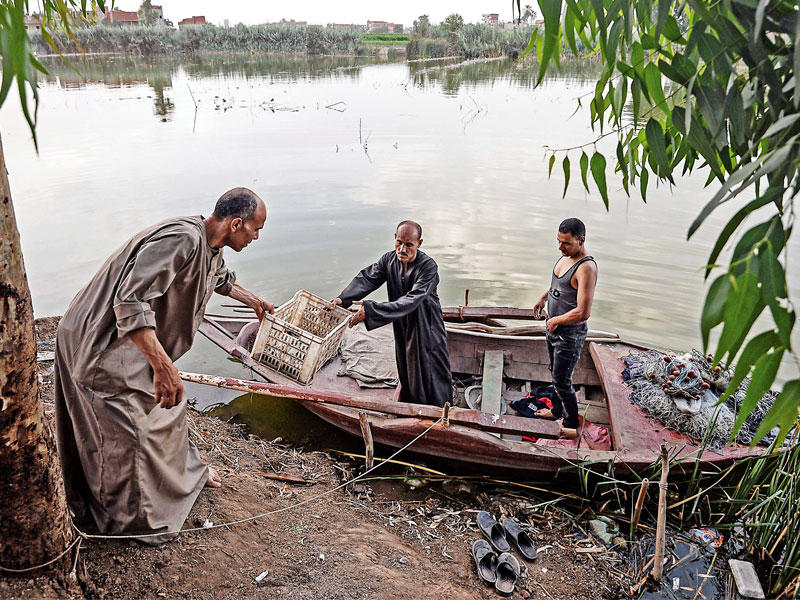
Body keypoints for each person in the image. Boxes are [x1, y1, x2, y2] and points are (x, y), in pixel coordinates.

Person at [54, 188, 274, 542]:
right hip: (99, 337)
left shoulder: (208, 240)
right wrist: (163, 366)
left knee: (168, 408)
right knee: (127, 426)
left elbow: (217, 275)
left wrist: (253, 300)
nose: (256, 237)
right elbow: (129, 300)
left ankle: (175, 484)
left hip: (125, 338)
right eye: (255, 229)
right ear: (236, 224)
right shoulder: (182, 239)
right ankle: (131, 519)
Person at [331, 220, 452, 407]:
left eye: (409, 245)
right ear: (394, 239)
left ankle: (440, 411)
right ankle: (413, 407)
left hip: (426, 325)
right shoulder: (389, 260)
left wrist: (371, 310)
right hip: (400, 320)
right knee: (407, 365)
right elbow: (367, 278)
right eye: (399, 243)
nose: (402, 249)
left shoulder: (428, 267)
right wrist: (342, 299)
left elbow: (412, 299)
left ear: (419, 243)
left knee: (431, 368)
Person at [532, 218, 598, 430]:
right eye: (558, 241)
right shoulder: (564, 257)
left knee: (562, 381)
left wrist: (556, 320)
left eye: (566, 243)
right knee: (554, 372)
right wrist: (544, 298)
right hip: (553, 328)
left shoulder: (586, 268)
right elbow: (558, 286)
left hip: (569, 334)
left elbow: (583, 312)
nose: (560, 247)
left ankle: (570, 424)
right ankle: (556, 411)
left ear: (581, 240)